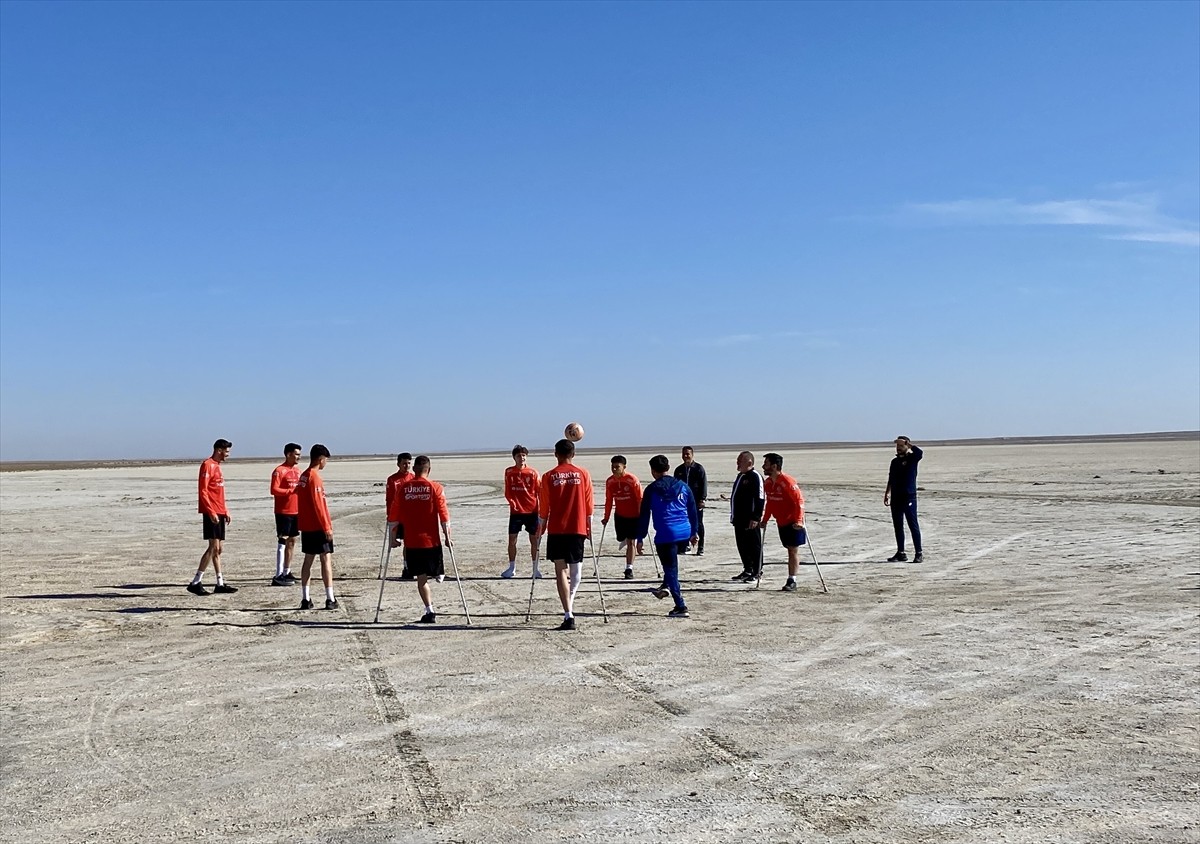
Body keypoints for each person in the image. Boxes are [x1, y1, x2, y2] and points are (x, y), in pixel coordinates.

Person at [536, 438, 594, 631]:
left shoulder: (548, 476)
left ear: (555, 454)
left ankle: (568, 611)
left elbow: (544, 506)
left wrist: (541, 526)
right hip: (576, 528)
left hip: (557, 529)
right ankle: (569, 611)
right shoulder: (583, 474)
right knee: (575, 572)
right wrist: (589, 526)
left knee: (561, 570)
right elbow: (589, 504)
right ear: (573, 454)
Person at [636, 454, 698, 618]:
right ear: (668, 468)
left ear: (653, 471)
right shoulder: (683, 486)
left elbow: (644, 516)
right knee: (671, 565)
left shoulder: (651, 489)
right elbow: (692, 510)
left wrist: (640, 537)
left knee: (670, 568)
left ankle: (680, 605)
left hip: (667, 534)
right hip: (684, 532)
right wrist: (694, 532)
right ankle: (665, 585)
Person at [396, 455, 453, 624]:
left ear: (414, 469)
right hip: (432, 542)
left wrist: (393, 538)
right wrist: (448, 536)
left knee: (421, 580)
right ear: (429, 470)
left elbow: (394, 515)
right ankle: (438, 574)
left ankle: (430, 610)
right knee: (434, 572)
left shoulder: (404, 488)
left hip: (413, 543)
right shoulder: (436, 487)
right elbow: (444, 516)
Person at [188, 438, 238, 596]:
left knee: (219, 549)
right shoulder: (207, 465)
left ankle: (220, 583)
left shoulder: (218, 467)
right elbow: (203, 491)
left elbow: (219, 493)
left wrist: (226, 510)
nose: (228, 455)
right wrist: (211, 511)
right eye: (226, 452)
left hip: (220, 511)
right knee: (213, 548)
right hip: (212, 513)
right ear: (219, 450)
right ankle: (196, 581)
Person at [296, 444, 337, 610]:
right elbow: (319, 505)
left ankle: (305, 598)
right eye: (325, 460)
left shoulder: (303, 476)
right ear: (321, 459)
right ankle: (330, 598)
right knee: (325, 559)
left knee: (308, 559)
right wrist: (326, 527)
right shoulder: (314, 477)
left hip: (306, 526)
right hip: (317, 526)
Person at [760, 452, 806, 592]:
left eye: (766, 464)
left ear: (774, 466)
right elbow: (770, 503)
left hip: (792, 521)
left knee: (792, 549)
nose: (763, 467)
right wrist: (765, 519)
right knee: (788, 547)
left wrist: (798, 520)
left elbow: (799, 502)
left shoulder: (787, 482)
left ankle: (792, 579)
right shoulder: (768, 483)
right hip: (780, 521)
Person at [501, 445, 541, 579]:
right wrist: (512, 502)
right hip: (516, 512)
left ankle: (535, 569)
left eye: (523, 455)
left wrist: (542, 508)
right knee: (512, 539)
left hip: (532, 511)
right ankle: (512, 567)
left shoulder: (533, 472)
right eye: (519, 455)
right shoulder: (509, 472)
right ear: (514, 458)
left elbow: (539, 491)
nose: (521, 458)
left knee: (534, 540)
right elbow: (508, 491)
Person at [602, 455, 643, 579]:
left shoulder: (632, 480)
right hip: (620, 515)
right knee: (621, 538)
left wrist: (642, 515)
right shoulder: (610, 481)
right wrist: (606, 517)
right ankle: (627, 540)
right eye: (612, 467)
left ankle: (629, 568)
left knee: (631, 541)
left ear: (624, 467)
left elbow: (640, 498)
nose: (614, 469)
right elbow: (609, 500)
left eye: (617, 467)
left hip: (634, 516)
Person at [884, 436, 924, 563]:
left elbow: (920, 453)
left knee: (913, 524)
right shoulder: (894, 462)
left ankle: (919, 553)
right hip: (896, 497)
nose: (899, 448)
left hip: (909, 496)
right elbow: (891, 478)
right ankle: (900, 552)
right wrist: (887, 493)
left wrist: (909, 444)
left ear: (906, 446)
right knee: (898, 526)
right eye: (897, 446)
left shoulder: (912, 459)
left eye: (901, 446)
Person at [729, 450, 766, 582]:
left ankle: (757, 571)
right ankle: (747, 569)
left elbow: (760, 498)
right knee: (742, 545)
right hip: (738, 519)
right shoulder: (741, 476)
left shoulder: (755, 476)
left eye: (740, 461)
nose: (737, 463)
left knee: (754, 545)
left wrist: (756, 517)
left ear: (749, 462)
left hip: (750, 520)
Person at [269, 443, 303, 586]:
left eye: (299, 454)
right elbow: (274, 489)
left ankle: (287, 571)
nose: (298, 457)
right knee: (283, 539)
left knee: (293, 540)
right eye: (296, 454)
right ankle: (278, 575)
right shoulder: (279, 471)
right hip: (283, 511)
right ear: (288, 454)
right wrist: (289, 491)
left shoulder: (297, 471)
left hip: (296, 510)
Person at [384, 453, 415, 579]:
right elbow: (389, 499)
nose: (406, 466)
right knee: (396, 542)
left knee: (409, 543)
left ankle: (407, 567)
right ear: (398, 464)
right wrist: (389, 516)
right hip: (397, 517)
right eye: (404, 463)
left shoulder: (413, 478)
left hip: (411, 517)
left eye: (408, 463)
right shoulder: (392, 480)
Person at [673, 446, 708, 554]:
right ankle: (684, 546)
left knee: (698, 523)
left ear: (692, 455)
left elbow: (703, 484)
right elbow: (675, 486)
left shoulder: (698, 468)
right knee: (683, 523)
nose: (685, 456)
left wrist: (702, 499)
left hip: (696, 501)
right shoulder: (679, 470)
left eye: (688, 454)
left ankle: (700, 547)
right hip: (682, 502)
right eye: (684, 454)